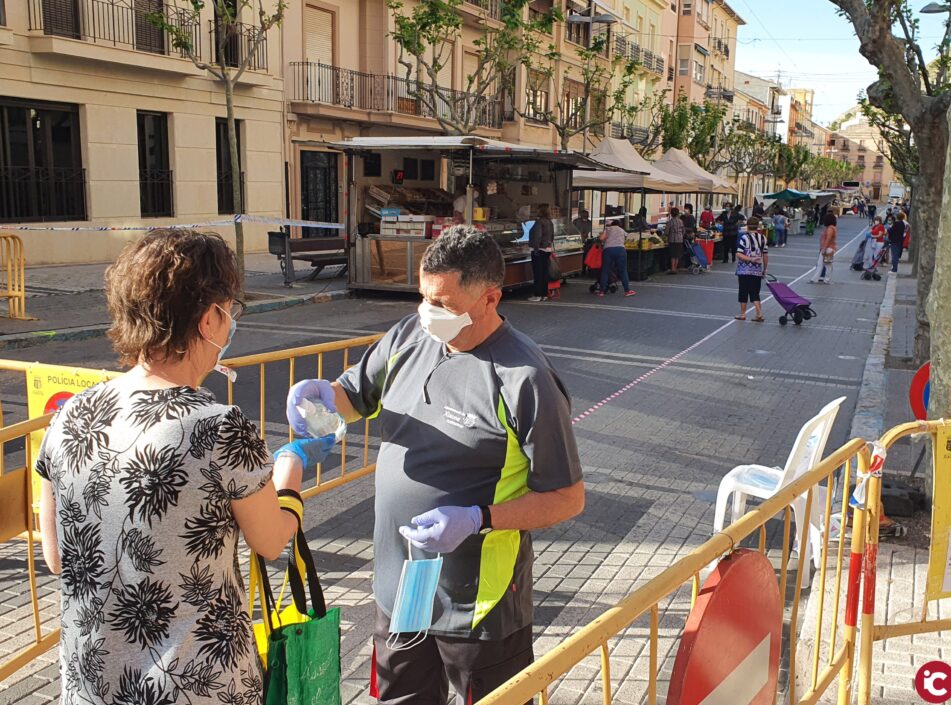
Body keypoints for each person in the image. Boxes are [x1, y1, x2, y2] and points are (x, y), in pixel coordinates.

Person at [35, 229, 337, 705]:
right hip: (196, 683)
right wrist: (292, 466)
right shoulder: (218, 426)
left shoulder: (72, 414)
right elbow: (270, 539)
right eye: (230, 310)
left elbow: (58, 558)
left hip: (93, 680)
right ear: (209, 317)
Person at [286, 226, 585, 705]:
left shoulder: (525, 379)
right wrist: (318, 397)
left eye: (443, 303)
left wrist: (478, 519)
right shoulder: (409, 336)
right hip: (400, 589)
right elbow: (353, 397)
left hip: (477, 604)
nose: (428, 312)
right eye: (424, 297)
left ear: (490, 298)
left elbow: (567, 498)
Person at [735, 217, 768, 322]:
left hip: (743, 270)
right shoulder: (763, 238)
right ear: (758, 226)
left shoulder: (744, 238)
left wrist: (750, 259)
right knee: (755, 293)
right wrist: (765, 269)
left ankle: (743, 314)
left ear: (747, 226)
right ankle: (758, 314)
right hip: (757, 270)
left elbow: (739, 254)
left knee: (743, 291)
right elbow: (765, 255)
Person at [597, 217, 636, 297]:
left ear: (612, 224)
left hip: (608, 250)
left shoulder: (608, 229)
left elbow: (601, 238)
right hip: (620, 250)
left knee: (605, 270)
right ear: (619, 225)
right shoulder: (622, 230)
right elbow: (628, 238)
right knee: (623, 271)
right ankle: (627, 291)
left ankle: (602, 292)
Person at [528, 203, 554, 302]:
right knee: (544, 273)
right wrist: (549, 245)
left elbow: (537, 236)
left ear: (541, 211)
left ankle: (537, 294)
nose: (536, 211)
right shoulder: (549, 222)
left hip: (539, 249)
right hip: (547, 249)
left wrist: (535, 249)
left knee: (538, 273)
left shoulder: (539, 222)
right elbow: (552, 236)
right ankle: (544, 294)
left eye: (538, 209)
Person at [811, 210, 838, 283]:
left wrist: (824, 248)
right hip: (828, 248)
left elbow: (828, 239)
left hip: (828, 248)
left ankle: (823, 279)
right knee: (824, 264)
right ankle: (818, 279)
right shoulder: (832, 228)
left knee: (826, 264)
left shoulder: (830, 229)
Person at [665, 207, 686, 274]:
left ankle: (672, 268)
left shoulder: (670, 222)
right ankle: (675, 268)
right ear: (678, 214)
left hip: (672, 240)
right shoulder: (681, 221)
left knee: (672, 255)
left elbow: (666, 232)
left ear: (671, 214)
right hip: (680, 240)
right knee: (677, 255)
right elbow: (683, 231)